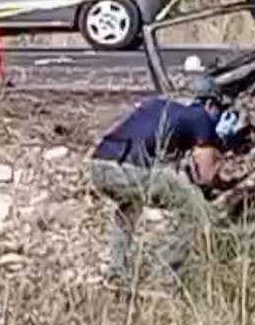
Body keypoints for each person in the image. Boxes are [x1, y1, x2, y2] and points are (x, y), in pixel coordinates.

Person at [88, 76, 243, 290]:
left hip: (99, 165)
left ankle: (116, 272)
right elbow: (207, 176)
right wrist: (225, 159)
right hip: (129, 168)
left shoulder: (158, 105)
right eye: (218, 108)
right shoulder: (201, 117)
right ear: (209, 103)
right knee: (194, 210)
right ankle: (163, 279)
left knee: (129, 206)